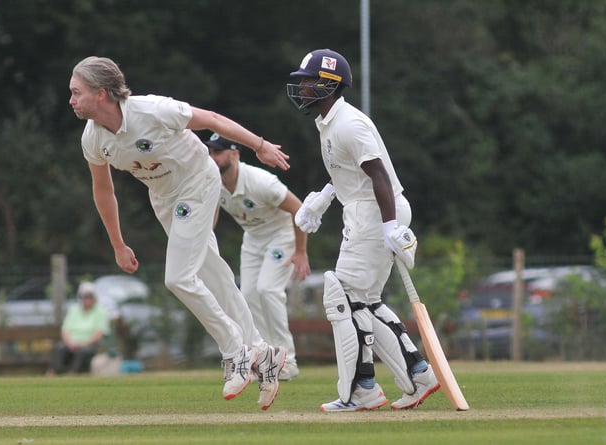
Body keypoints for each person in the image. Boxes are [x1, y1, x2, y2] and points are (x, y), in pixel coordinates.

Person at [68, 56, 288, 410]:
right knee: (213, 274)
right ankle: (263, 352)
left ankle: (236, 351)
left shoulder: (153, 110)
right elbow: (103, 190)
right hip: (164, 198)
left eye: (77, 92)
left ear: (102, 93)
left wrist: (259, 145)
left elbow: (212, 120)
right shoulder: (93, 139)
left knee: (178, 278)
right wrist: (118, 243)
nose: (71, 100)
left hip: (197, 183)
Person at [286, 48, 440, 412]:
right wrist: (322, 199)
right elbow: (347, 172)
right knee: (365, 302)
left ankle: (362, 390)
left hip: (375, 211)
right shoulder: (328, 122)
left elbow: (378, 174)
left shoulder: (350, 124)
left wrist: (389, 226)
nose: (303, 87)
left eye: (309, 81)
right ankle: (418, 375)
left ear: (329, 84)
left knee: (343, 297)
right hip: (363, 210)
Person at [206, 132, 311, 381]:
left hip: (282, 235)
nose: (212, 157)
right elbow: (211, 217)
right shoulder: (214, 182)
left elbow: (299, 209)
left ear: (234, 153)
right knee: (249, 296)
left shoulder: (261, 182)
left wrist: (301, 251)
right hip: (252, 239)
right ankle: (265, 359)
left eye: (217, 152)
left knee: (268, 290)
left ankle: (288, 361)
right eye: (210, 152)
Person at [47, 282, 110, 375]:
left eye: (89, 297)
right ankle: (54, 372)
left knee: (82, 352)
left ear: (94, 298)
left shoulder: (101, 311)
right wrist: (70, 343)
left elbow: (99, 333)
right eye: (84, 297)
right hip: (71, 344)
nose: (87, 299)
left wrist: (84, 344)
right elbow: (65, 330)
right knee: (60, 348)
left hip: (90, 344)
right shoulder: (74, 310)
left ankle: (73, 374)